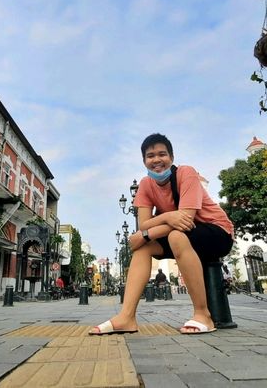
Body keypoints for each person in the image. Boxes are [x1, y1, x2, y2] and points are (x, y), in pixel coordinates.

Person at [89, 133, 234, 335]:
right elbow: (144, 223)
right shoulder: (146, 185)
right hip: (181, 233)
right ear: (144, 161)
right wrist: (167, 219)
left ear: (171, 158)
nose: (156, 160)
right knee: (143, 248)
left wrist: (146, 233)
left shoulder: (186, 173)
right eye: (150, 156)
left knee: (171, 236)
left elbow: (186, 219)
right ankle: (126, 317)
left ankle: (203, 315)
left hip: (217, 231)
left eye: (162, 154)